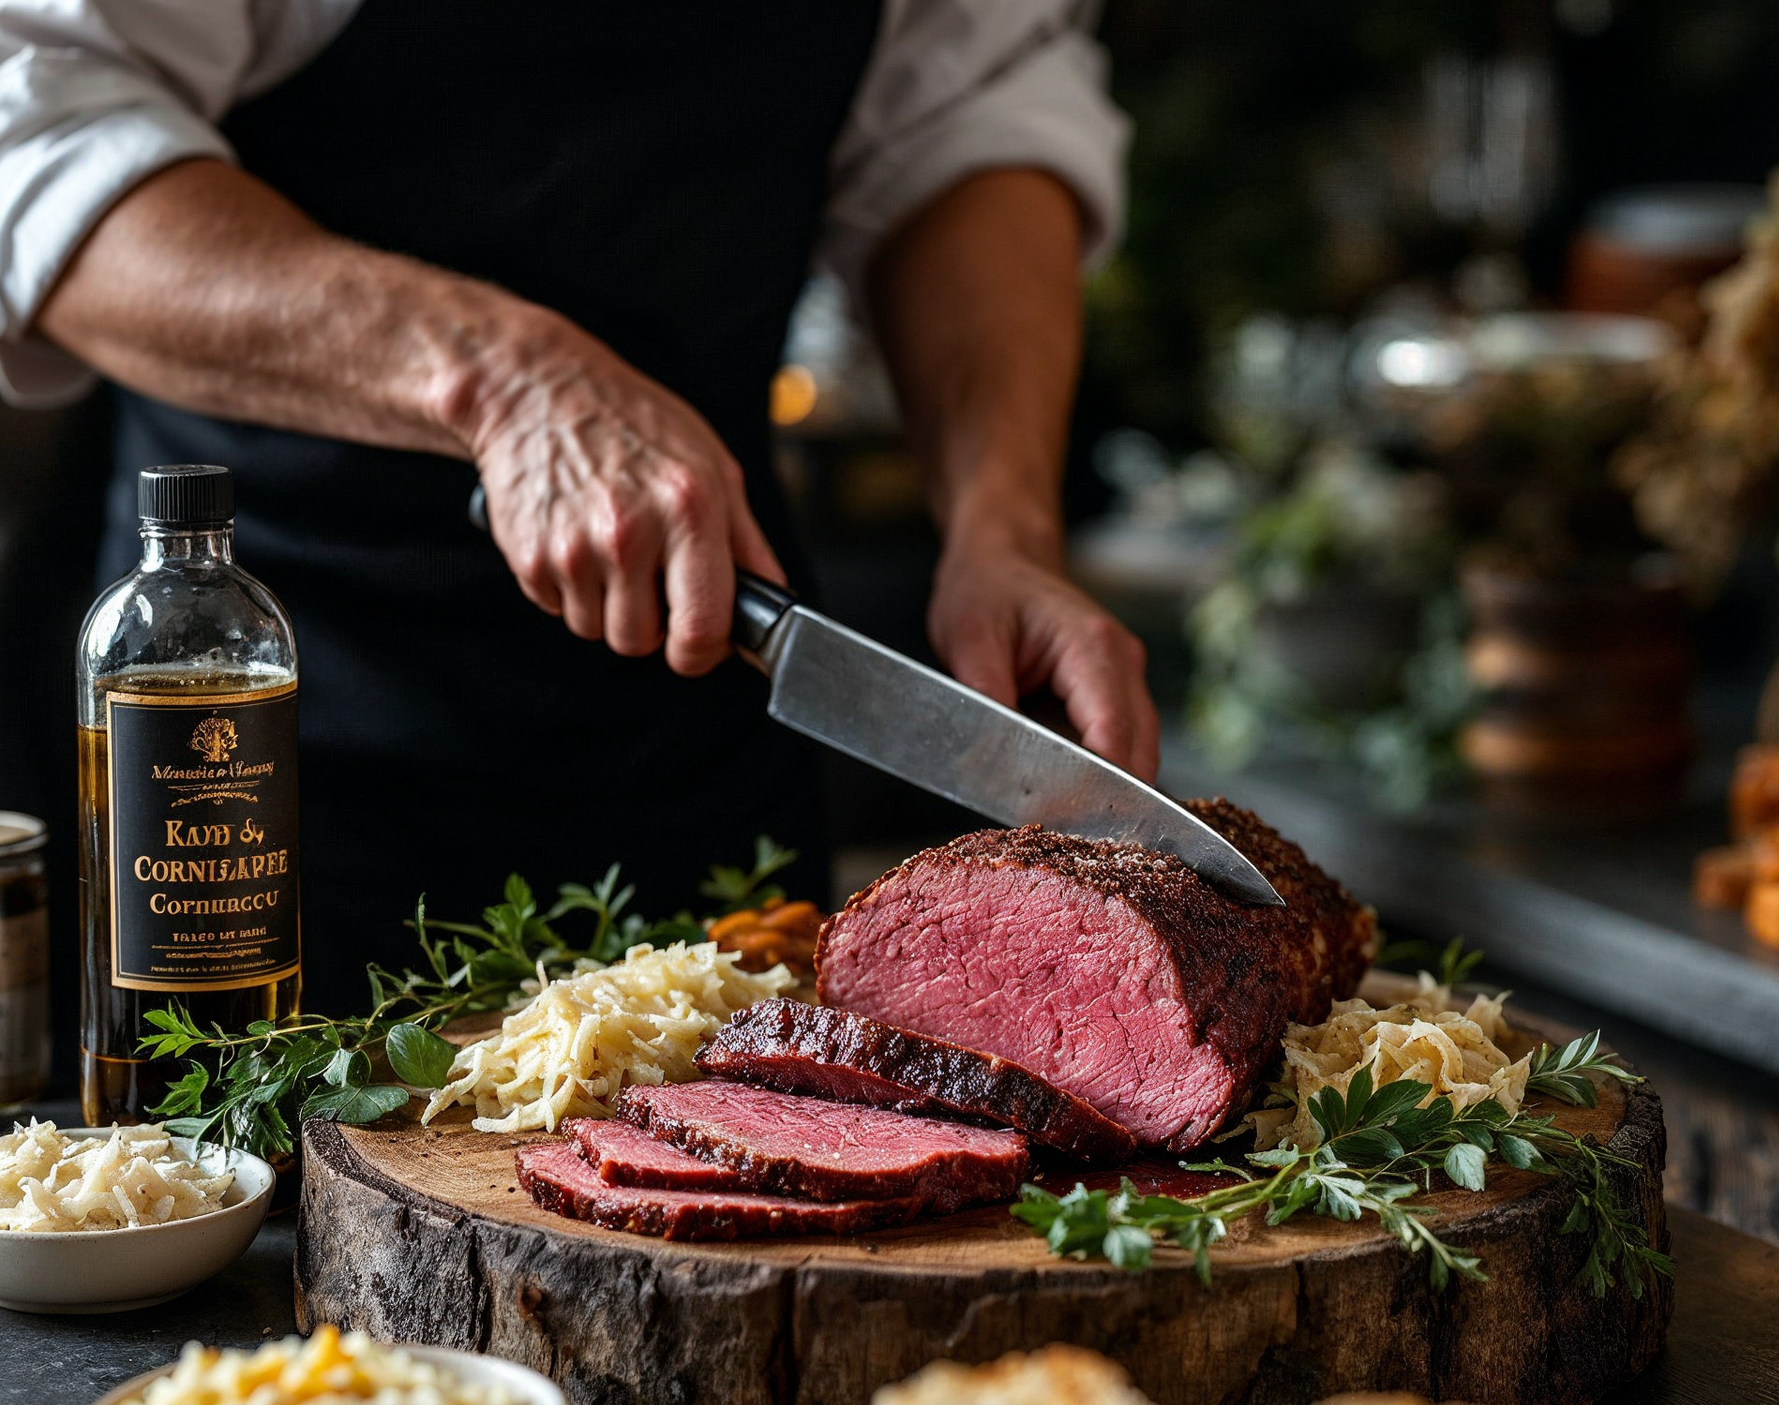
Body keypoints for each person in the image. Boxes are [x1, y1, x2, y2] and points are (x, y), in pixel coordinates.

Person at [0, 1, 1156, 1003]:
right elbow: (39, 123)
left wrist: (1005, 531)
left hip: (703, 724)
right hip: (264, 753)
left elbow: (967, 121)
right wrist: (503, 380)